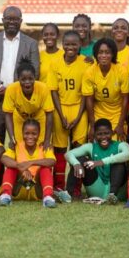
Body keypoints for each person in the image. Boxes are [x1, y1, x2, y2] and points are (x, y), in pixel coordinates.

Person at [0, 6, 40, 143]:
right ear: (3, 20)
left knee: (20, 141)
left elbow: (34, 72)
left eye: (15, 19)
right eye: (8, 19)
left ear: (21, 20)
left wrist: (14, 90)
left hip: (21, 100)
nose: (12, 22)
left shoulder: (31, 44)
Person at [48, 31, 90, 200]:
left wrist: (79, 116)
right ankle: (58, 186)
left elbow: (85, 94)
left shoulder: (86, 64)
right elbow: (53, 91)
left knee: (79, 150)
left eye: (74, 44)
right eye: (67, 44)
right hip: (60, 110)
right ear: (62, 44)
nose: (70, 47)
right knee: (59, 149)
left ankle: (75, 189)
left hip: (80, 109)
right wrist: (61, 114)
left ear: (80, 45)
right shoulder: (55, 63)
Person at [66, 118, 129, 204]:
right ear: (94, 135)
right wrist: (76, 163)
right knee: (81, 160)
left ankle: (112, 195)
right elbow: (68, 154)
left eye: (106, 133)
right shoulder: (91, 147)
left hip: (118, 191)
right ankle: (67, 194)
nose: (103, 137)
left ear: (112, 133)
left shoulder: (121, 145)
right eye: (99, 134)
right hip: (97, 188)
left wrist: (102, 162)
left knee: (118, 163)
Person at [0, 119, 57, 208]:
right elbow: (3, 158)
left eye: (34, 134)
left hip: (38, 189)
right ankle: (6, 195)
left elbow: (52, 161)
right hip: (20, 187)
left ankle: (48, 197)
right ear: (22, 133)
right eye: (27, 133)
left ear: (39, 134)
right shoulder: (16, 146)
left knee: (45, 168)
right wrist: (20, 167)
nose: (30, 136)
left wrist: (30, 163)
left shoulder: (44, 146)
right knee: (11, 167)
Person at [83, 38, 129, 143]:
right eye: (100, 52)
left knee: (117, 145)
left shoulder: (121, 71)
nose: (103, 55)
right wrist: (92, 125)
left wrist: (120, 124)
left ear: (113, 54)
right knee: (96, 145)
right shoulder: (89, 72)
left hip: (117, 114)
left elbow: (125, 99)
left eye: (107, 52)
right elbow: (89, 100)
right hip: (98, 114)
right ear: (95, 54)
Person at [3, 60, 54, 148]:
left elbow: (49, 114)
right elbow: (8, 115)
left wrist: (46, 140)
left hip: (39, 117)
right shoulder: (11, 90)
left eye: (30, 79)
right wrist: (12, 138)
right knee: (19, 147)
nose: (27, 82)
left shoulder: (43, 88)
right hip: (20, 118)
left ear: (35, 78)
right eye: (23, 79)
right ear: (18, 79)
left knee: (40, 147)